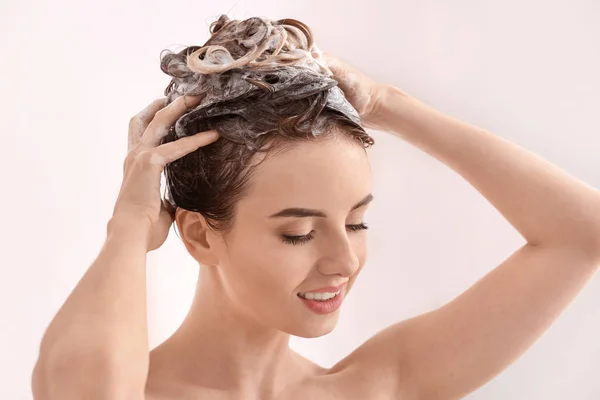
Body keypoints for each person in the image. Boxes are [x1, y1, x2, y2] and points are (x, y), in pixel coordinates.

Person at [32, 14, 600, 400]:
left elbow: (582, 233)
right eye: (299, 232)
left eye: (356, 222)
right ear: (201, 235)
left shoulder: (377, 385)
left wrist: (388, 104)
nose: (345, 261)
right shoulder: (126, 386)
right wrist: (128, 227)